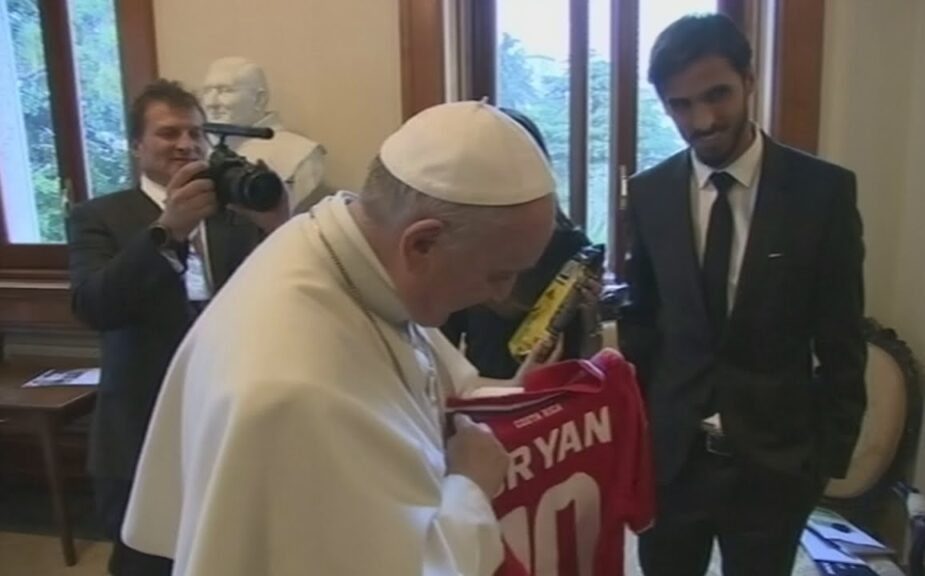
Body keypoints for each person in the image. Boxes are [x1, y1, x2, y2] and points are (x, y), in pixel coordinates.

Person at [121, 101, 560, 575]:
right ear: (422, 243)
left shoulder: (341, 250)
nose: (503, 295)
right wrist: (471, 487)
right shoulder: (294, 389)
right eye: (499, 274)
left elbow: (428, 378)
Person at [618, 14, 867, 576]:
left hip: (775, 470)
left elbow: (842, 339)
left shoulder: (823, 193)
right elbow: (642, 326)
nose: (702, 120)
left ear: (750, 80)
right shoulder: (650, 194)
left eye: (717, 95)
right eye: (681, 105)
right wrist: (643, 442)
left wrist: (821, 464)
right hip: (673, 464)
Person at [66, 79, 289, 576]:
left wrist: (279, 222)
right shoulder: (98, 216)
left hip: (232, 419)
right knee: (145, 559)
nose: (186, 144)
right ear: (137, 144)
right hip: (138, 427)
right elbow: (94, 307)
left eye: (195, 133)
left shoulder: (238, 213)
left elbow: (289, 293)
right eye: (168, 133)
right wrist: (168, 231)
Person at [441, 108, 599, 378]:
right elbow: (443, 354)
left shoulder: (571, 246)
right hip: (488, 398)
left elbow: (585, 353)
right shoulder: (461, 245)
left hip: (560, 396)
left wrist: (591, 312)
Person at [201, 56, 327, 212]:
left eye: (226, 91)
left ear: (259, 99)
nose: (211, 103)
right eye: (207, 91)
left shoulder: (300, 154)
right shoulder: (195, 148)